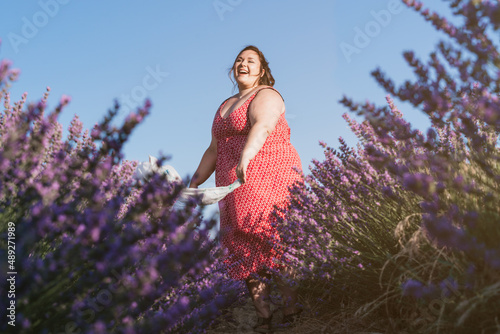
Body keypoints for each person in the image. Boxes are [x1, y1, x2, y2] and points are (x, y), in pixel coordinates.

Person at [189, 45, 303, 332]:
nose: (243, 64)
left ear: (261, 70)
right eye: (239, 60)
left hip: (269, 173)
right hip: (232, 183)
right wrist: (194, 182)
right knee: (240, 245)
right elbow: (214, 148)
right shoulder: (224, 106)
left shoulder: (267, 95)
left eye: (250, 61)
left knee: (272, 237)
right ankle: (264, 317)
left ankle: (291, 311)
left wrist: (247, 156)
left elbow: (262, 126)